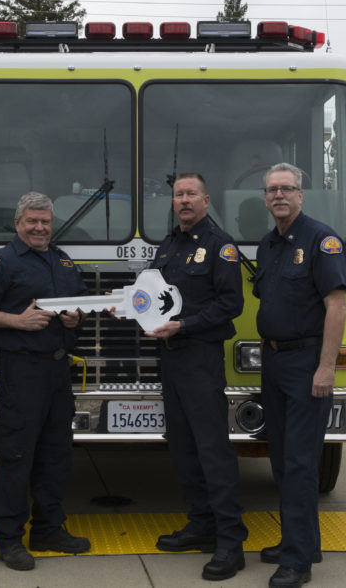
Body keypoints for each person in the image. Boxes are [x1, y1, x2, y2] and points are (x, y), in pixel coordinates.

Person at [0, 191, 90, 572]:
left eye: (45, 221)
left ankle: (49, 528)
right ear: (17, 224)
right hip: (21, 371)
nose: (39, 227)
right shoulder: (2, 261)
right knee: (17, 455)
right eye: (32, 221)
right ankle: (9, 538)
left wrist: (73, 317)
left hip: (57, 370)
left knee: (56, 453)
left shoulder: (62, 260)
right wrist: (17, 321)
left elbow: (77, 303)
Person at [146, 173, 248, 581]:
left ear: (206, 200)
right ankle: (201, 525)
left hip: (200, 358)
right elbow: (152, 298)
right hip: (170, 359)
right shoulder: (169, 245)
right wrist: (121, 303)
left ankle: (230, 542)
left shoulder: (219, 245)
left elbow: (231, 304)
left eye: (191, 194)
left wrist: (184, 325)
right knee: (183, 447)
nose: (184, 201)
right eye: (178, 195)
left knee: (212, 449)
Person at [252, 163, 346, 588]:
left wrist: (326, 367)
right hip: (273, 363)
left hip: (306, 364)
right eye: (272, 190)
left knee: (301, 463)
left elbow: (336, 306)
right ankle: (304, 542)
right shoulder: (268, 245)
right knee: (282, 461)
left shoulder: (321, 240)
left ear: (301, 195)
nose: (279, 195)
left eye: (287, 188)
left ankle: (296, 563)